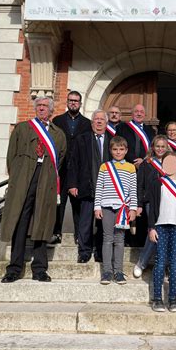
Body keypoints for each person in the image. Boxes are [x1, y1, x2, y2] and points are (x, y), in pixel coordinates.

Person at [0, 97, 67, 283]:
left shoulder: (58, 134)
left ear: (51, 111)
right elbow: (11, 156)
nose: (41, 109)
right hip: (23, 181)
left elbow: (59, 159)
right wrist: (17, 179)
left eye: (45, 106)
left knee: (42, 222)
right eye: (38, 106)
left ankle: (39, 269)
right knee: (20, 221)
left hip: (45, 180)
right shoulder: (22, 128)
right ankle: (14, 268)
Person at [149, 151, 176, 312]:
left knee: (174, 263)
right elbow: (152, 207)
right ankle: (157, 298)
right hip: (160, 226)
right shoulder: (157, 183)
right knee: (160, 263)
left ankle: (173, 299)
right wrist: (151, 227)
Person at [68, 110, 112, 263]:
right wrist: (72, 184)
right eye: (96, 119)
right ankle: (84, 252)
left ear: (106, 123)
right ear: (92, 122)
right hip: (87, 187)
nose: (99, 122)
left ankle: (100, 252)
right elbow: (73, 162)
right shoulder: (82, 139)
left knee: (102, 224)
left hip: (107, 191)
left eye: (102, 119)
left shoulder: (113, 140)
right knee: (85, 222)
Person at [49, 91, 91, 246]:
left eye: (76, 101)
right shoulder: (57, 121)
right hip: (61, 169)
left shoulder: (87, 123)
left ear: (80, 103)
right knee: (58, 203)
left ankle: (79, 235)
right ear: (67, 102)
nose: (74, 103)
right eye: (71, 100)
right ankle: (56, 232)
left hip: (79, 171)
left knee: (78, 204)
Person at [94, 136, 137, 285]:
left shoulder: (131, 167)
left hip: (122, 208)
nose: (118, 152)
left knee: (120, 240)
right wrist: (97, 207)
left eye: (121, 149)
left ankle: (118, 271)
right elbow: (99, 187)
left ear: (126, 150)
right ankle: (107, 272)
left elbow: (133, 190)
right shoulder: (105, 166)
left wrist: (132, 209)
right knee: (107, 239)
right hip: (106, 206)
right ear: (110, 150)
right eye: (115, 149)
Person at [132, 135, 169, 276]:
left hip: (168, 202)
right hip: (150, 202)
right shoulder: (146, 164)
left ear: (167, 148)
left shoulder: (171, 162)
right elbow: (139, 185)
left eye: (163, 146)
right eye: (157, 146)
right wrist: (139, 204)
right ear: (152, 147)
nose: (160, 149)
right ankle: (142, 263)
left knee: (163, 231)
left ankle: (161, 264)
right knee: (154, 229)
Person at [116, 104, 156, 169]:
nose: (139, 114)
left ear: (145, 115)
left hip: (146, 166)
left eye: (141, 112)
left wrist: (143, 160)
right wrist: (134, 160)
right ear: (132, 114)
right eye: (136, 111)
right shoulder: (121, 128)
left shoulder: (151, 131)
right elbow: (117, 146)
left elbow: (153, 148)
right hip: (126, 166)